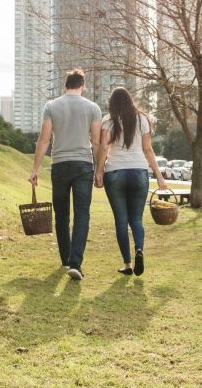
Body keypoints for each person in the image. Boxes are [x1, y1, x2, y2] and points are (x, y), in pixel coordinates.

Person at [29, 69, 102, 281]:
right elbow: (96, 142)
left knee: (61, 215)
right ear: (83, 85)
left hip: (59, 164)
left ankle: (65, 259)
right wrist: (99, 170)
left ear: (65, 85)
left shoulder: (51, 106)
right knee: (82, 214)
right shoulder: (93, 108)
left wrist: (35, 169)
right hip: (83, 165)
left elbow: (44, 140)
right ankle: (75, 263)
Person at [95, 87, 167, 277]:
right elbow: (148, 149)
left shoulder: (108, 120)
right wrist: (159, 175)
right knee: (136, 219)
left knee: (121, 220)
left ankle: (127, 264)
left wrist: (99, 171)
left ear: (112, 103)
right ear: (130, 101)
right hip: (138, 172)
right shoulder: (142, 118)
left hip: (115, 172)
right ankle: (139, 250)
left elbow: (104, 147)